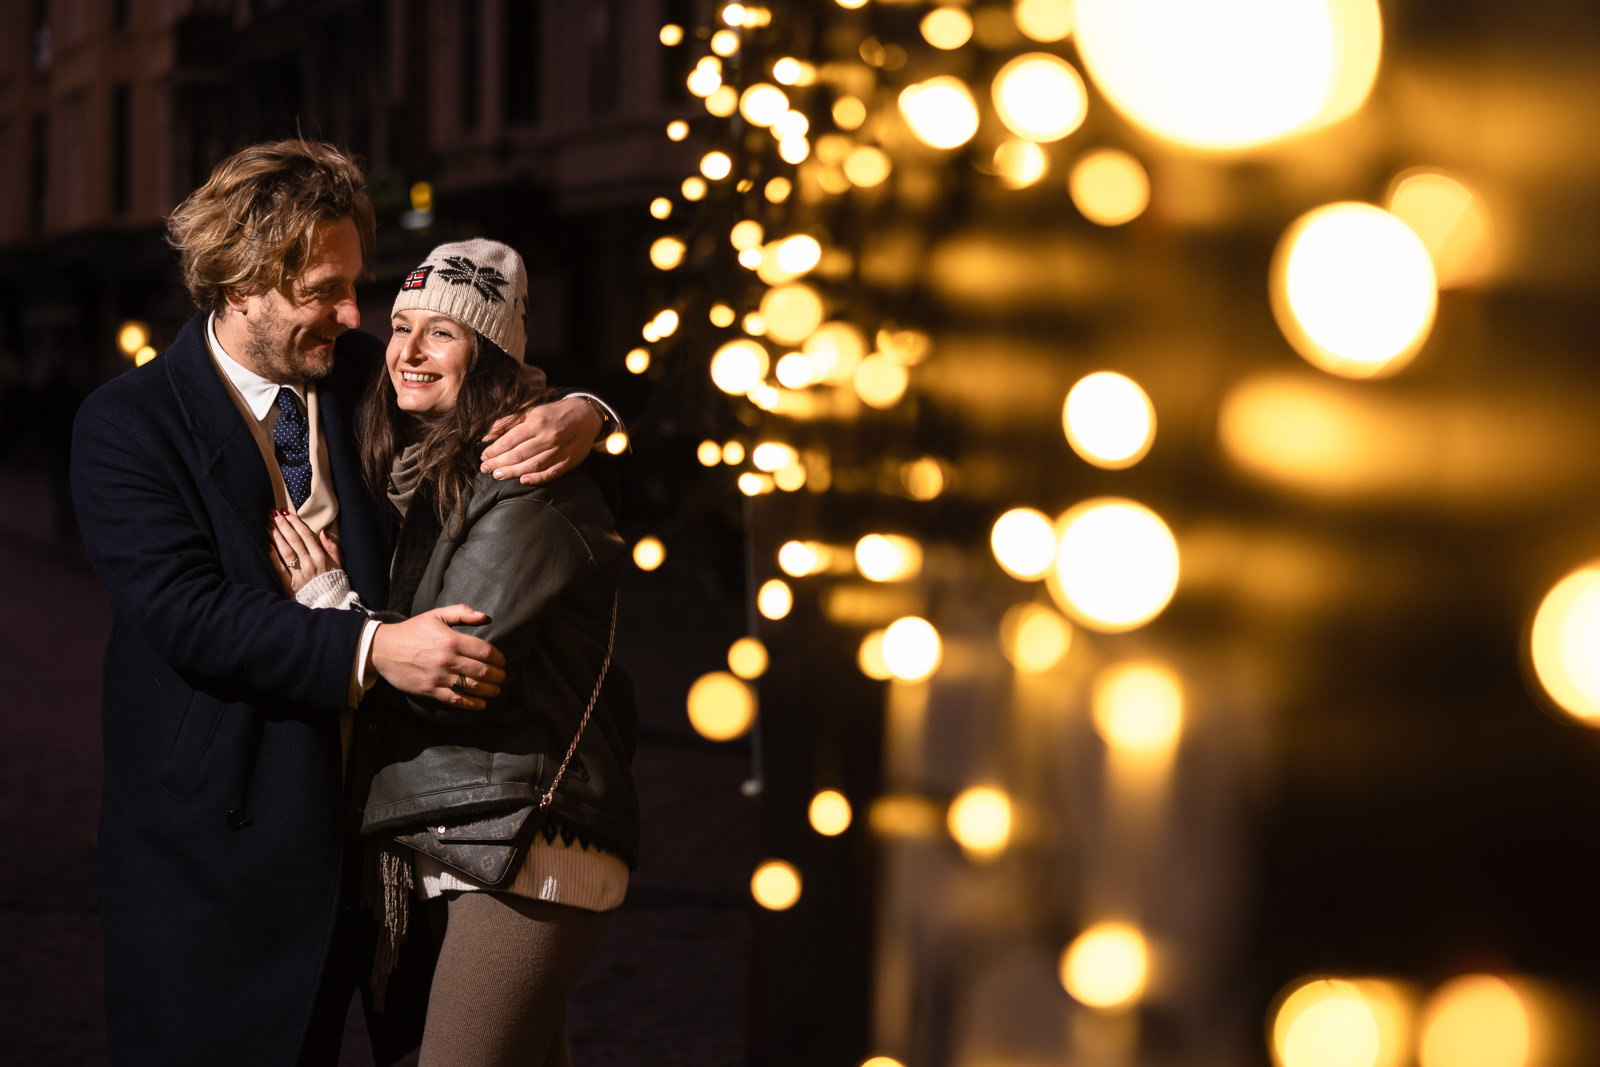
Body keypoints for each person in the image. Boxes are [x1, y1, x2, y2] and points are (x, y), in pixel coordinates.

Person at [69, 141, 611, 1066]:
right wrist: (371, 648)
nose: (355, 315)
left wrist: (586, 410)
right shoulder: (128, 424)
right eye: (325, 289)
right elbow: (187, 614)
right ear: (241, 282)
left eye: (356, 286)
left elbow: (490, 379)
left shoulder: (364, 370)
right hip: (222, 846)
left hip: (392, 837)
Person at [269, 238, 638, 1067]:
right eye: (402, 325)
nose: (408, 350)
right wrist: (595, 407)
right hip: (484, 837)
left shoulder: (521, 478)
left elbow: (449, 669)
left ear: (492, 352)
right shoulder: (433, 473)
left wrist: (335, 614)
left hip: (528, 841)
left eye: (444, 331)